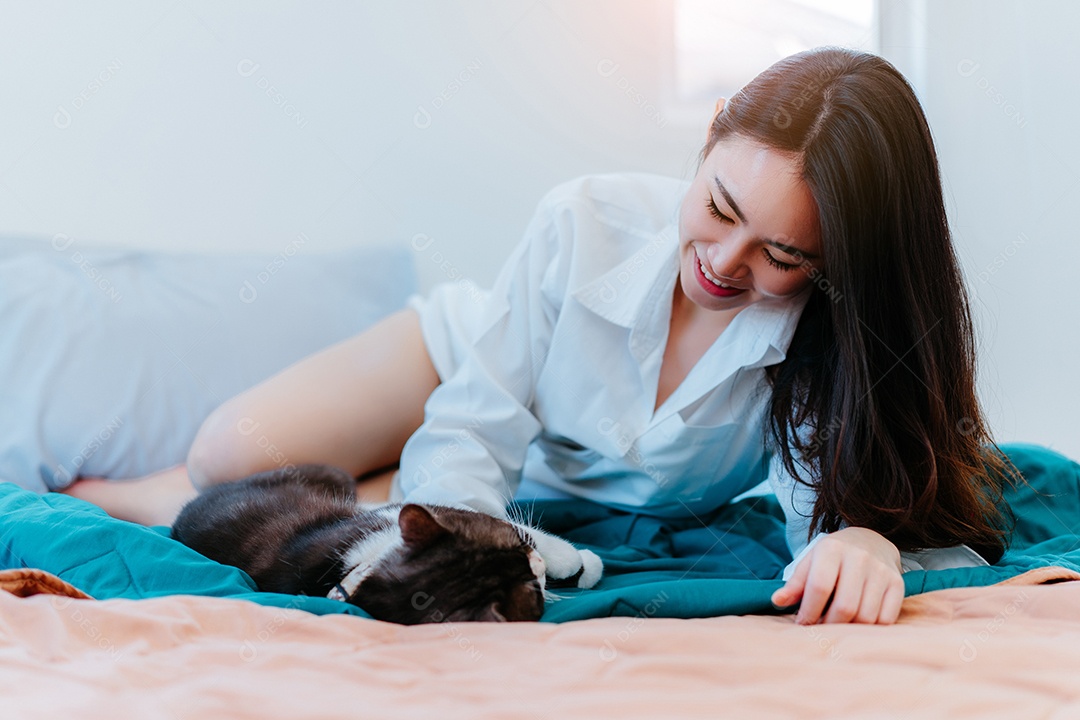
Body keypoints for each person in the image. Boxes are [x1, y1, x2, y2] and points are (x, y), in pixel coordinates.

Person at [63, 46, 1023, 625]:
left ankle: (249, 490)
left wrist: (862, 544)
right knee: (229, 455)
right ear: (704, 146)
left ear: (838, 265)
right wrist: (461, 520)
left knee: (314, 498)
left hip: (554, 482)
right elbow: (476, 426)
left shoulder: (827, 345)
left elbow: (830, 512)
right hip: (462, 360)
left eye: (781, 254)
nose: (726, 265)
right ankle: (148, 488)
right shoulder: (586, 219)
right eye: (719, 206)